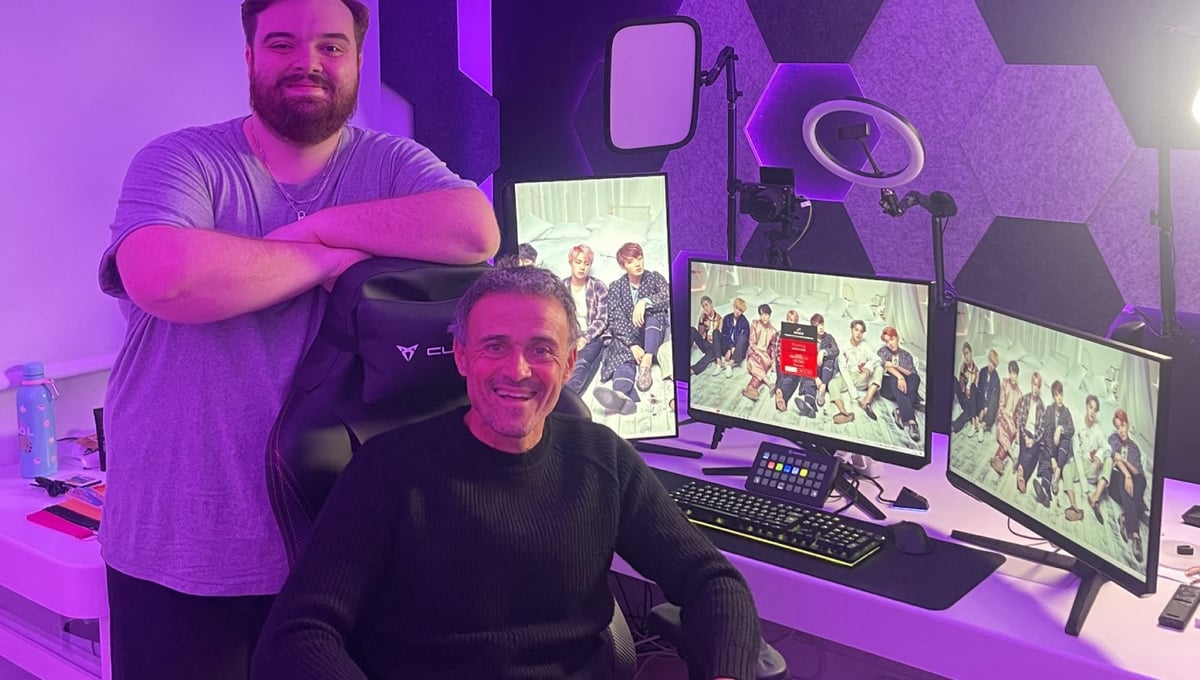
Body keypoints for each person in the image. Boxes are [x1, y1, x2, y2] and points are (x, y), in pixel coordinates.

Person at [96, 1, 500, 677]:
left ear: (358, 61)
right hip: (178, 549)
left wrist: (316, 227)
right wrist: (321, 261)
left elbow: (474, 230)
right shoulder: (184, 159)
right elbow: (163, 277)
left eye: (331, 47)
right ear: (250, 57)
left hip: (333, 553)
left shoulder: (390, 162)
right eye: (282, 43)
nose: (308, 63)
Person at [250, 263, 761, 679]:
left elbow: (712, 581)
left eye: (541, 349)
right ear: (461, 355)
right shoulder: (386, 470)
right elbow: (298, 634)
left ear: (569, 363)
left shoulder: (603, 458)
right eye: (495, 346)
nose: (517, 370)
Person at [593, 242, 670, 414]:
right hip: (629, 336)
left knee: (655, 314)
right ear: (623, 266)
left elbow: (668, 295)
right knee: (622, 356)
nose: (637, 263)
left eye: (639, 258)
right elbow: (615, 318)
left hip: (652, 335)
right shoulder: (616, 287)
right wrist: (632, 345)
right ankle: (621, 396)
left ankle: (646, 364)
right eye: (631, 261)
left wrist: (644, 302)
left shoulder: (654, 278)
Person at [562, 244, 608, 396]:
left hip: (592, 336)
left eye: (587, 264)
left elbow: (602, 319)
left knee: (581, 365)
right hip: (569, 336)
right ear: (570, 263)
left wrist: (585, 338)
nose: (582, 267)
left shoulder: (598, 287)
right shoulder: (561, 287)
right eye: (578, 262)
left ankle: (567, 399)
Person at [1108, 408, 1149, 561]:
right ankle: (1135, 534)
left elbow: (1137, 471)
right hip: (1115, 485)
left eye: (1123, 425)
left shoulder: (1134, 447)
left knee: (1142, 479)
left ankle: (1125, 517)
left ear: (1128, 425)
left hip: (1129, 489)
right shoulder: (1113, 439)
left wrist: (1125, 461)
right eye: (1118, 426)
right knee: (1121, 476)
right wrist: (1126, 474)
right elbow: (1115, 459)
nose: (1121, 430)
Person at [1064, 394, 1111, 523]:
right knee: (1066, 468)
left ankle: (1095, 498)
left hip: (1092, 468)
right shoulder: (1078, 424)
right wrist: (1084, 486)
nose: (1092, 412)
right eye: (1091, 407)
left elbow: (1107, 447)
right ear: (1086, 407)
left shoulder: (1097, 430)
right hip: (1079, 464)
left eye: (1095, 410)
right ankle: (1074, 506)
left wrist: (1099, 455)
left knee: (1109, 460)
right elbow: (1076, 454)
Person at [829, 319, 882, 424]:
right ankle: (843, 412)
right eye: (856, 330)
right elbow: (843, 370)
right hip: (848, 376)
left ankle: (866, 401)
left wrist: (868, 366)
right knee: (832, 383)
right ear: (851, 330)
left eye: (861, 331)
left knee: (879, 368)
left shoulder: (865, 346)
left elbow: (878, 359)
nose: (858, 333)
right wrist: (853, 392)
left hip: (861, 377)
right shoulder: (843, 346)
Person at [877, 326, 921, 442]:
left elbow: (911, 373)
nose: (890, 343)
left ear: (897, 338)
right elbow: (886, 366)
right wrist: (900, 376)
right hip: (888, 387)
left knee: (915, 378)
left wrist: (896, 366)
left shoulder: (906, 355)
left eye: (892, 339)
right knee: (894, 377)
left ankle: (899, 411)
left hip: (903, 389)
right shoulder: (883, 351)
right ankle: (911, 421)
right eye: (887, 341)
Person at [1041, 380, 1076, 507]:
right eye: (1056, 395)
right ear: (1053, 397)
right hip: (1051, 449)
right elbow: (1046, 434)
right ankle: (1045, 489)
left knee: (1066, 440)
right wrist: (1052, 458)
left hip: (1062, 452)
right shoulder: (1049, 410)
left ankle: (1056, 476)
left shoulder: (1066, 412)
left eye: (1061, 394)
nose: (1059, 398)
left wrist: (1060, 429)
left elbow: (1072, 430)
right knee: (1046, 459)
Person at [1013, 372, 1047, 498]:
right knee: (1027, 452)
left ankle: (1021, 469)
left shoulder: (1041, 406)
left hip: (1034, 436)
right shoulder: (1024, 400)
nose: (1036, 388)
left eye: (1038, 386)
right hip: (1025, 433)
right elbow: (1021, 422)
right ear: (1031, 384)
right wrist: (1025, 437)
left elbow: (1042, 429)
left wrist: (1033, 440)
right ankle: (1023, 478)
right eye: (1034, 385)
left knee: (1034, 455)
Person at [989, 360, 1022, 475]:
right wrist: (1006, 418)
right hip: (1002, 417)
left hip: (1012, 424)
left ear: (1017, 375)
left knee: (1008, 436)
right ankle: (1014, 457)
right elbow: (1001, 404)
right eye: (1011, 373)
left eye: (1015, 373)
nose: (1013, 376)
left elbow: (1018, 416)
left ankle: (997, 459)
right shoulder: (1004, 383)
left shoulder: (1019, 393)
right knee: (1001, 430)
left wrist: (1017, 433)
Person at [741, 304, 777, 401]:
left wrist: (773, 362)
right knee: (752, 363)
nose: (764, 317)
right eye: (762, 315)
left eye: (766, 314)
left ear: (769, 315)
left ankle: (749, 389)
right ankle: (769, 384)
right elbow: (751, 342)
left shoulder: (773, 331)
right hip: (753, 352)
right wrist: (758, 353)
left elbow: (773, 349)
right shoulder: (755, 324)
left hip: (765, 356)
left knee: (758, 367)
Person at [689, 295, 724, 375]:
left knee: (710, 353)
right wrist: (701, 321)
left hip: (714, 345)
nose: (705, 308)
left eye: (706, 305)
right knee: (692, 330)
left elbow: (719, 335)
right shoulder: (704, 317)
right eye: (703, 306)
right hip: (705, 343)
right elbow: (700, 334)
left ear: (711, 304)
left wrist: (711, 337)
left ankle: (693, 370)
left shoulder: (719, 319)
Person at [810, 313, 839, 407]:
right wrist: (815, 377)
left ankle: (823, 387)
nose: (821, 327)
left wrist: (823, 352)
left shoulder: (829, 337)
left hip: (826, 370)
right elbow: (806, 358)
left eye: (822, 324)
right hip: (814, 370)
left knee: (829, 360)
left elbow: (836, 351)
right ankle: (809, 400)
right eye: (817, 326)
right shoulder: (809, 338)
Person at [951, 342, 980, 434]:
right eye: (964, 354)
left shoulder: (977, 371)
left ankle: (954, 426)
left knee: (968, 410)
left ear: (971, 353)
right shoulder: (963, 367)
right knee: (953, 379)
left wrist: (970, 391)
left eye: (967, 353)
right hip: (964, 396)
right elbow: (960, 384)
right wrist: (963, 371)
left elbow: (976, 388)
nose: (966, 356)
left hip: (971, 401)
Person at [976, 349, 1002, 438]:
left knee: (994, 397)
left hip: (990, 408)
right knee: (974, 388)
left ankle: (982, 426)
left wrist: (986, 408)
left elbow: (995, 400)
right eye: (990, 362)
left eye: (994, 365)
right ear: (988, 360)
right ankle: (979, 423)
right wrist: (982, 408)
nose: (991, 366)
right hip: (981, 404)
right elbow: (980, 392)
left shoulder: (996, 378)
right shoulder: (982, 372)